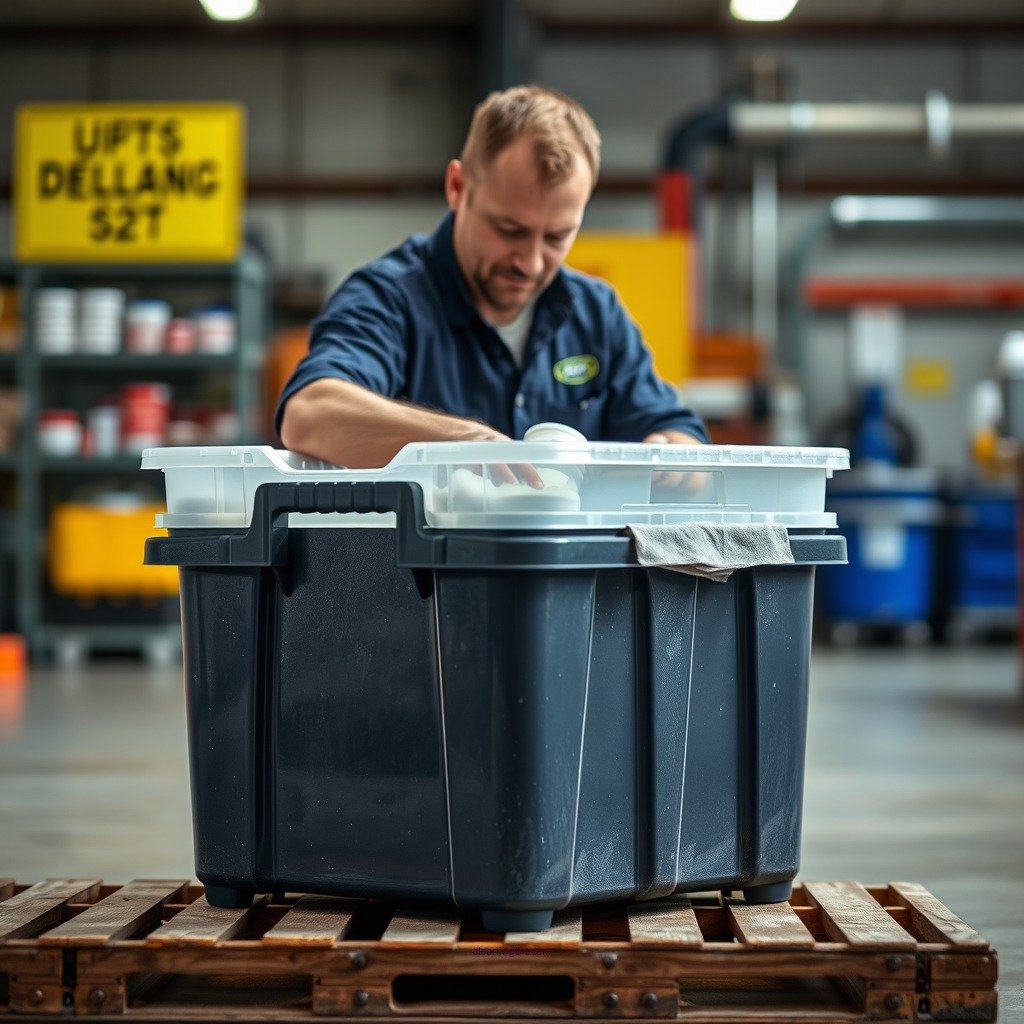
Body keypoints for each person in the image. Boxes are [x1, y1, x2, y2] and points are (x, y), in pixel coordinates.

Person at [277, 85, 707, 469]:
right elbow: (310, 412)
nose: (532, 263)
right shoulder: (390, 298)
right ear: (458, 188)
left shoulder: (596, 313)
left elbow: (676, 430)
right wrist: (470, 444)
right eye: (510, 230)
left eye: (558, 236)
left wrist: (674, 455)